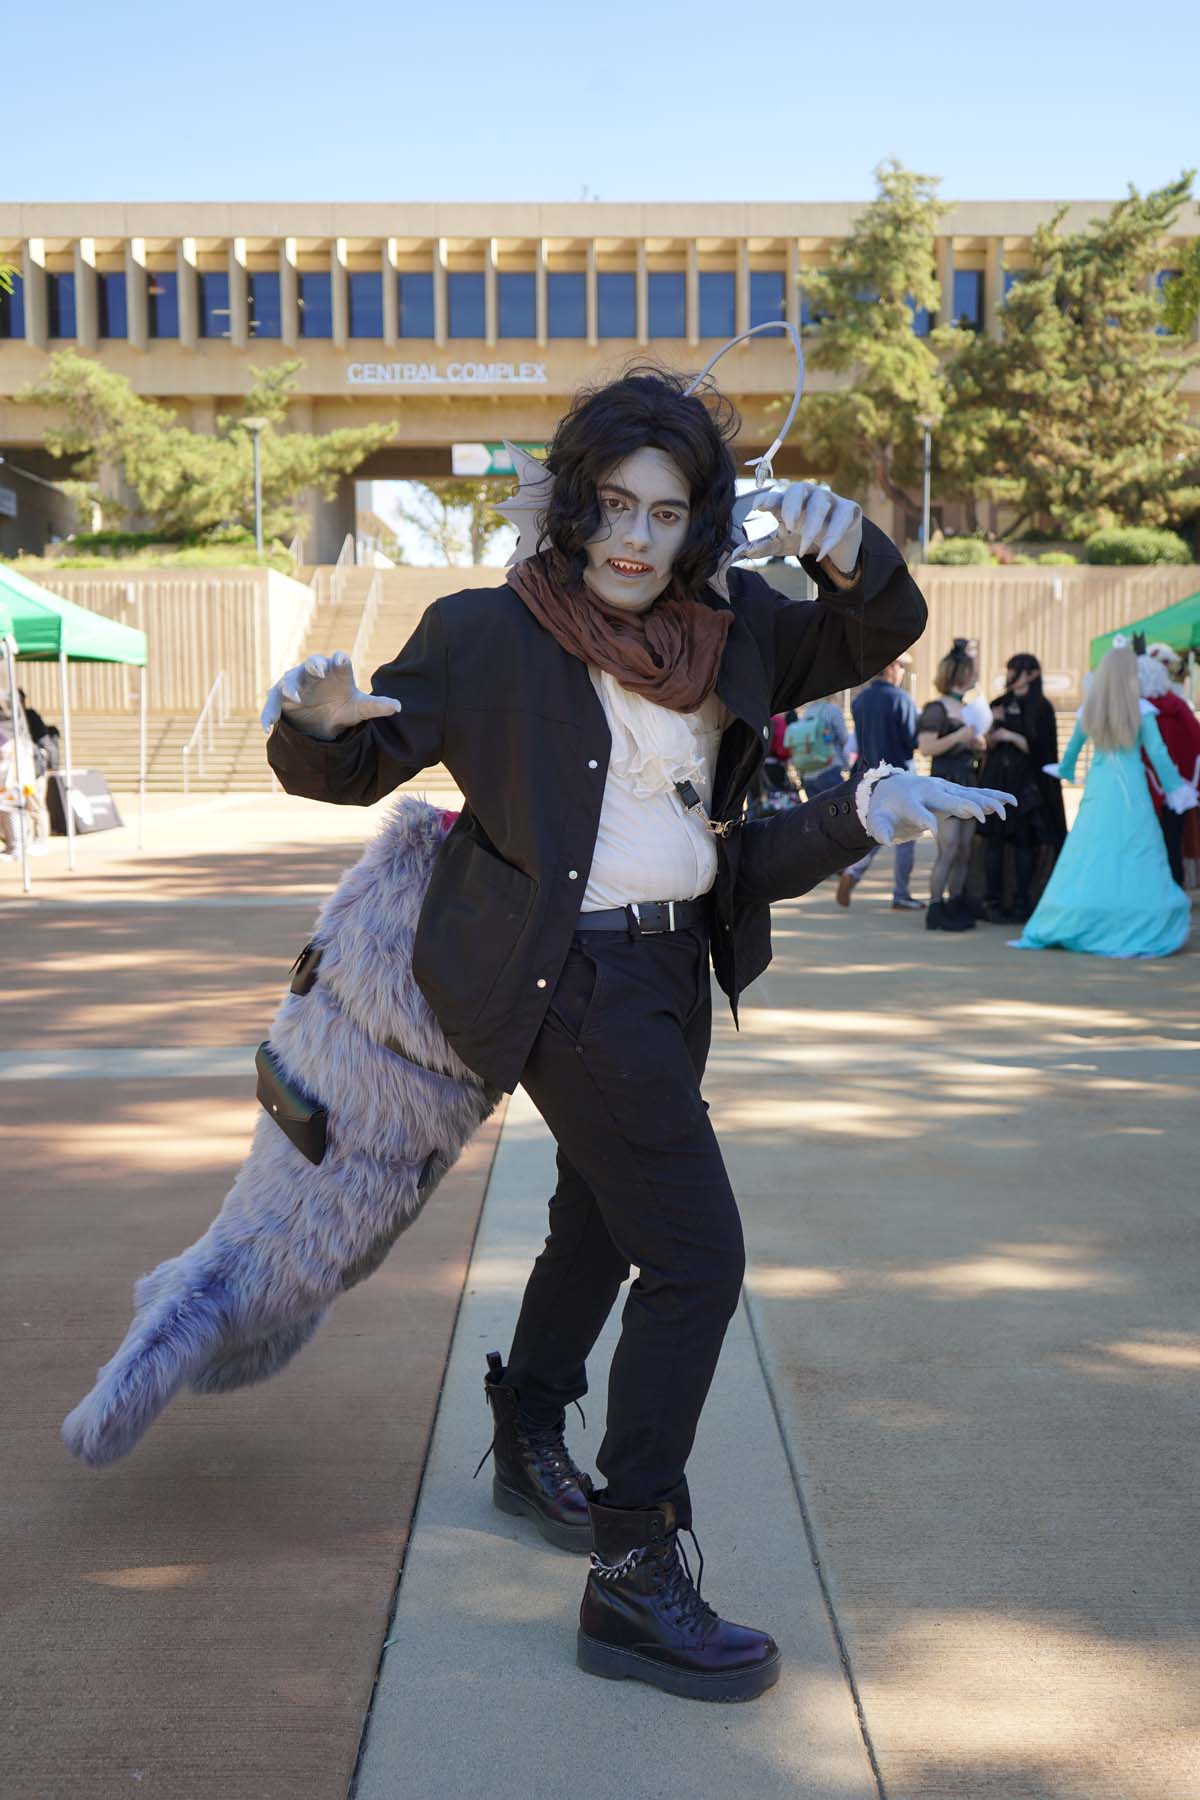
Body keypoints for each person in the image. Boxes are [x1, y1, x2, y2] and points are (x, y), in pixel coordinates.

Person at [261, 366, 1013, 1703]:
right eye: (614, 505)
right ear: (574, 503)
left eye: (665, 515)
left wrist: (848, 542)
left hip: (677, 969)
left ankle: (529, 1416)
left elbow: (880, 624)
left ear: (697, 525)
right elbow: (359, 757)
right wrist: (311, 724)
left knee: (606, 1218)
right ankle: (631, 1567)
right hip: (566, 981)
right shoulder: (486, 633)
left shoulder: (731, 628)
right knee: (697, 1255)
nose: (634, 539)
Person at [1013, 638, 1196, 958]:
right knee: (1137, 849)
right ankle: (1136, 916)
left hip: (1100, 790)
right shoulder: (1142, 710)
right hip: (1132, 791)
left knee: (1089, 849)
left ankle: (1079, 914)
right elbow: (1158, 753)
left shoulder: (1091, 709)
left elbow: (1071, 752)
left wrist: (1065, 770)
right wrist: (1175, 788)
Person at [978, 653, 1066, 923]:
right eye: (1009, 670)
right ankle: (992, 900)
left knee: (1024, 841)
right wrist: (990, 726)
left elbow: (1043, 751)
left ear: (1032, 674)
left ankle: (1022, 901)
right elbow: (986, 745)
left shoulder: (1042, 708)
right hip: (997, 778)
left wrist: (1012, 736)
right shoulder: (999, 703)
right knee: (995, 841)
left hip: (1027, 784)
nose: (1010, 675)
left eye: (1015, 670)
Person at [834, 654, 922, 910]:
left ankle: (853, 871)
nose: (903, 672)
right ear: (890, 666)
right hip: (901, 776)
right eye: (901, 666)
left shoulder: (860, 700)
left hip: (870, 776)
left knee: (876, 830)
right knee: (907, 834)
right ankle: (901, 893)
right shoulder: (902, 699)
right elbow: (912, 740)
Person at [917, 640, 986, 930]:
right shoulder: (936, 708)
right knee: (949, 848)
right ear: (960, 674)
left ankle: (955, 902)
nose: (975, 676)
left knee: (964, 849)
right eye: (971, 671)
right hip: (944, 785)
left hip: (967, 782)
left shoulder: (968, 708)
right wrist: (959, 737)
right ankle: (935, 907)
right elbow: (926, 747)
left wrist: (978, 744)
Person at [1137, 646, 1200, 888]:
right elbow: (1195, 738)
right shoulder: (1177, 705)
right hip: (1179, 783)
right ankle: (1175, 886)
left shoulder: (1140, 708)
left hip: (1147, 780)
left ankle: (1155, 887)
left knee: (1149, 840)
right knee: (1174, 839)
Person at [784, 692, 850, 799]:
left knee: (817, 809)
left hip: (808, 774)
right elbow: (844, 738)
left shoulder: (806, 713)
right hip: (829, 769)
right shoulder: (832, 710)